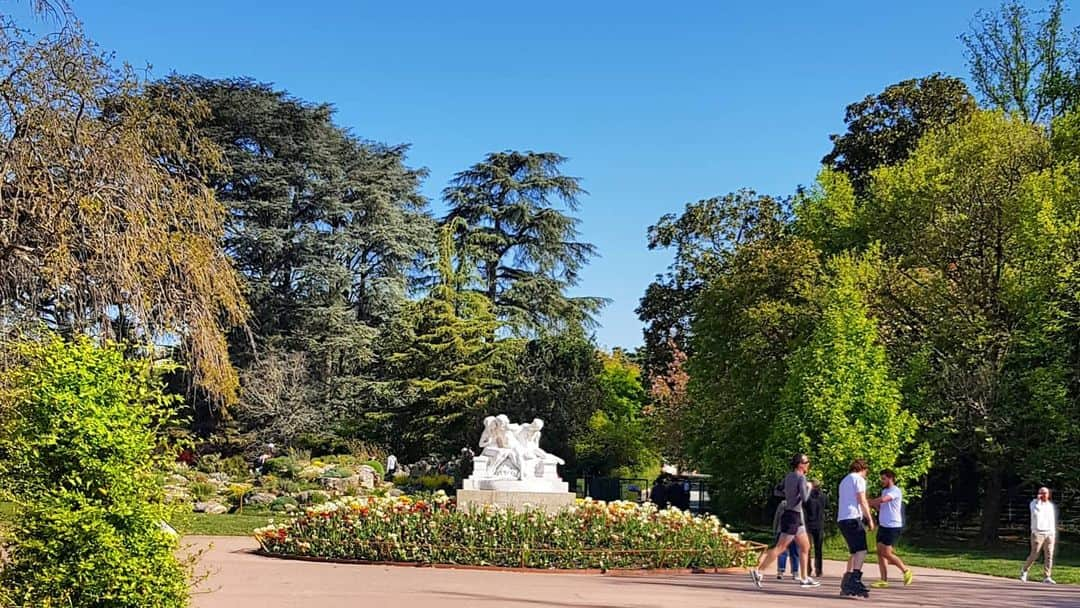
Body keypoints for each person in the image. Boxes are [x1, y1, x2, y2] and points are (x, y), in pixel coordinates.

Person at [749, 453, 821, 589]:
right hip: (793, 516)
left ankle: (804, 578)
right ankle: (758, 571)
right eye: (806, 462)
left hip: (794, 515)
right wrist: (809, 487)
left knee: (805, 546)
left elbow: (777, 491)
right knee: (780, 547)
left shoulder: (789, 476)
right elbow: (805, 499)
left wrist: (789, 495)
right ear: (800, 464)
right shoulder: (801, 478)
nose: (808, 465)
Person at [868, 469, 912, 588]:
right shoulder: (885, 491)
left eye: (883, 479)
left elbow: (883, 500)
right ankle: (883, 580)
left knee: (886, 553)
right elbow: (882, 506)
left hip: (892, 526)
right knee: (879, 552)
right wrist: (873, 505)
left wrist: (868, 501)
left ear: (890, 478)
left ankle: (906, 570)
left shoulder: (895, 491)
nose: (881, 481)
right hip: (883, 525)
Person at [837, 459, 874, 598]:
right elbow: (862, 499)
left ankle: (847, 581)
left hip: (842, 519)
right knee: (862, 549)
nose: (866, 475)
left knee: (854, 551)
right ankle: (855, 579)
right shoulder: (858, 479)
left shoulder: (844, 480)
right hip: (852, 518)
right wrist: (869, 518)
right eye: (866, 472)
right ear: (863, 469)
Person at [1021, 487, 1057, 584]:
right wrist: (1038, 501)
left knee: (1049, 555)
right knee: (1035, 554)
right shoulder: (1034, 504)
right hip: (1038, 532)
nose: (1044, 495)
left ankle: (1047, 576)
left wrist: (1053, 532)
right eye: (1042, 493)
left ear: (1048, 494)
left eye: (1045, 493)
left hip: (1049, 532)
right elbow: (1035, 513)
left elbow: (1051, 520)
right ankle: (1024, 570)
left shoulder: (1050, 505)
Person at [772, 499, 801, 580]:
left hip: (782, 530)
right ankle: (795, 572)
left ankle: (780, 572)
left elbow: (777, 518)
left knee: (782, 552)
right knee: (795, 553)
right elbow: (801, 520)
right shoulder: (798, 504)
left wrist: (775, 530)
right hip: (795, 531)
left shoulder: (782, 504)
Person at [803, 479, 826, 578]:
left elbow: (803, 506)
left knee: (807, 548)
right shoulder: (824, 496)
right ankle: (819, 569)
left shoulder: (807, 497)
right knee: (818, 548)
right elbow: (827, 507)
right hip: (819, 523)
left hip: (808, 524)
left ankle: (808, 569)